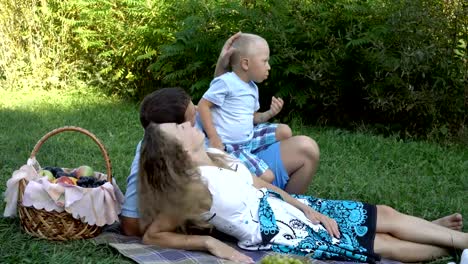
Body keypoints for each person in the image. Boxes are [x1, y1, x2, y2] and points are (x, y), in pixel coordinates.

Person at [138, 121, 468, 263]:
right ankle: (450, 246)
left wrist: (307, 207)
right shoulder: (194, 186)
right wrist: (210, 243)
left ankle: (450, 238)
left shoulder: (216, 155)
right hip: (279, 231)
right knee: (383, 245)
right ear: (177, 153)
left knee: (385, 213)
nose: (186, 123)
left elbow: (259, 184)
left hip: (290, 209)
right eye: (179, 129)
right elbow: (153, 235)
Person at [198, 33, 291, 184]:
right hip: (232, 147)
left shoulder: (253, 87)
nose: (269, 67)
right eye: (265, 61)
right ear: (246, 64)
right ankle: (251, 173)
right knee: (268, 177)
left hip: (249, 137)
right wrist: (214, 138)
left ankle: (254, 158)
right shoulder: (226, 82)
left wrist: (270, 113)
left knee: (285, 131)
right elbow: (203, 105)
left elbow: (253, 118)